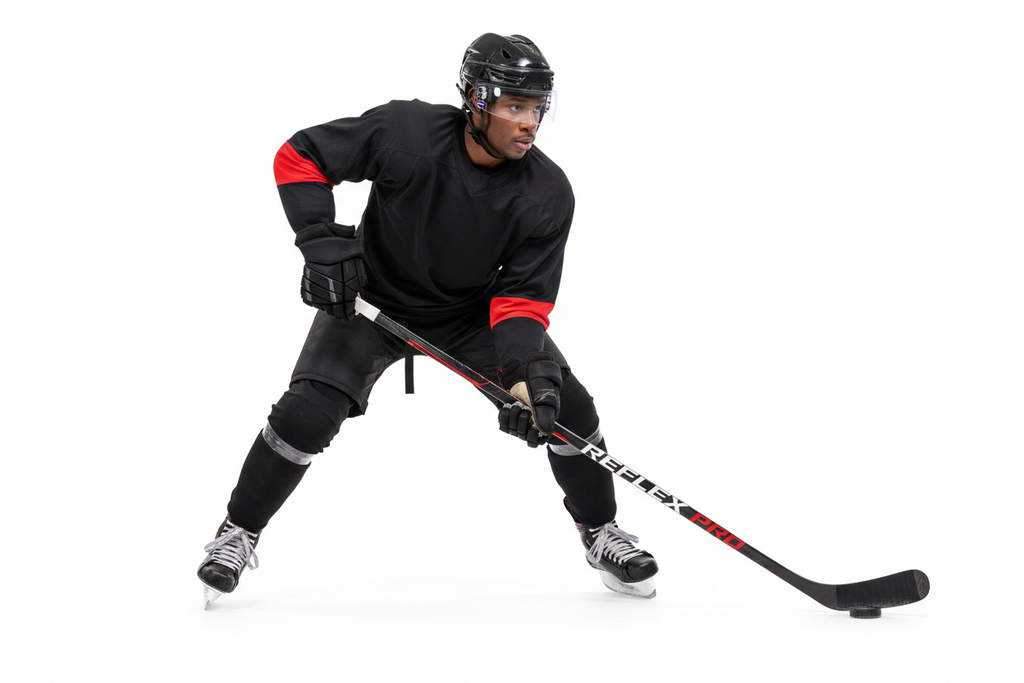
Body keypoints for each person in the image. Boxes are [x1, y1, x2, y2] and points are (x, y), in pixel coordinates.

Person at [197, 33, 659, 606]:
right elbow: (300, 155)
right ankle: (238, 531)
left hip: (469, 316)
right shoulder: (405, 133)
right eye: (516, 106)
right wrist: (318, 238)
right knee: (307, 412)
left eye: (538, 107)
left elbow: (521, 300)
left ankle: (600, 531)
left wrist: (523, 377)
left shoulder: (547, 193)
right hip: (372, 304)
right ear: (477, 99)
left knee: (564, 406)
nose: (531, 122)